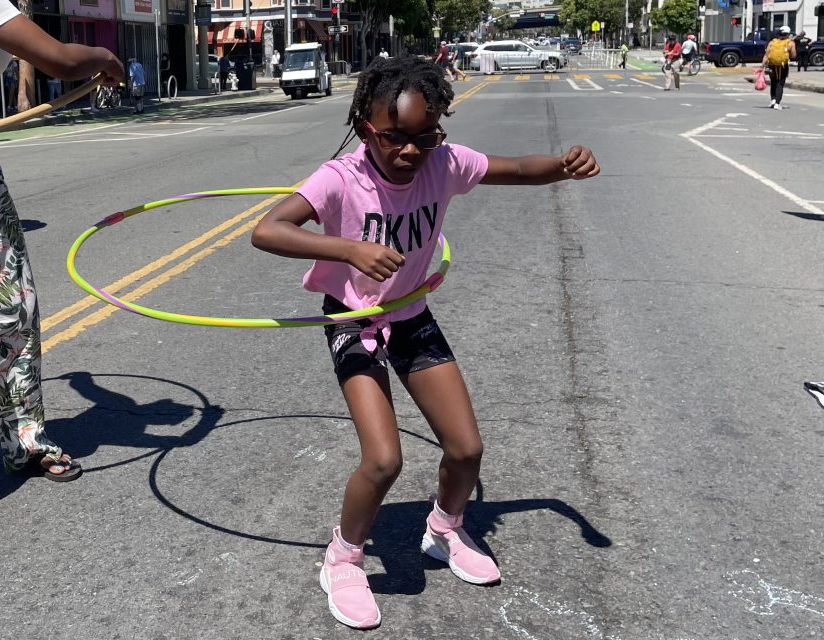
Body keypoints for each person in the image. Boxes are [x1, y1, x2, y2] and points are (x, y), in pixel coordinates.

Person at [250, 54, 600, 630]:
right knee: (384, 459)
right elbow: (267, 229)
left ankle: (445, 528)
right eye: (396, 138)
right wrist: (349, 249)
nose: (412, 150)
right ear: (367, 128)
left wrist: (561, 166)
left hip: (410, 313)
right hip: (354, 319)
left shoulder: (443, 164)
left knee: (466, 449)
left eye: (426, 135)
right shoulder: (342, 176)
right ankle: (343, 557)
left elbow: (514, 169)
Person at [0, 0, 123, 481]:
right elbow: (60, 60)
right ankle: (26, 441)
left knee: (8, 307)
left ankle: (26, 441)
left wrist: (86, 384)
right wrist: (105, 56)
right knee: (7, 309)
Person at [762, 26, 796, 109]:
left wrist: (763, 65)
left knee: (773, 82)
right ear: (788, 34)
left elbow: (766, 54)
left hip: (772, 65)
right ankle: (777, 103)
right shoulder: (790, 43)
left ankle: (773, 100)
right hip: (782, 66)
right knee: (780, 84)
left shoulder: (772, 42)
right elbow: (794, 55)